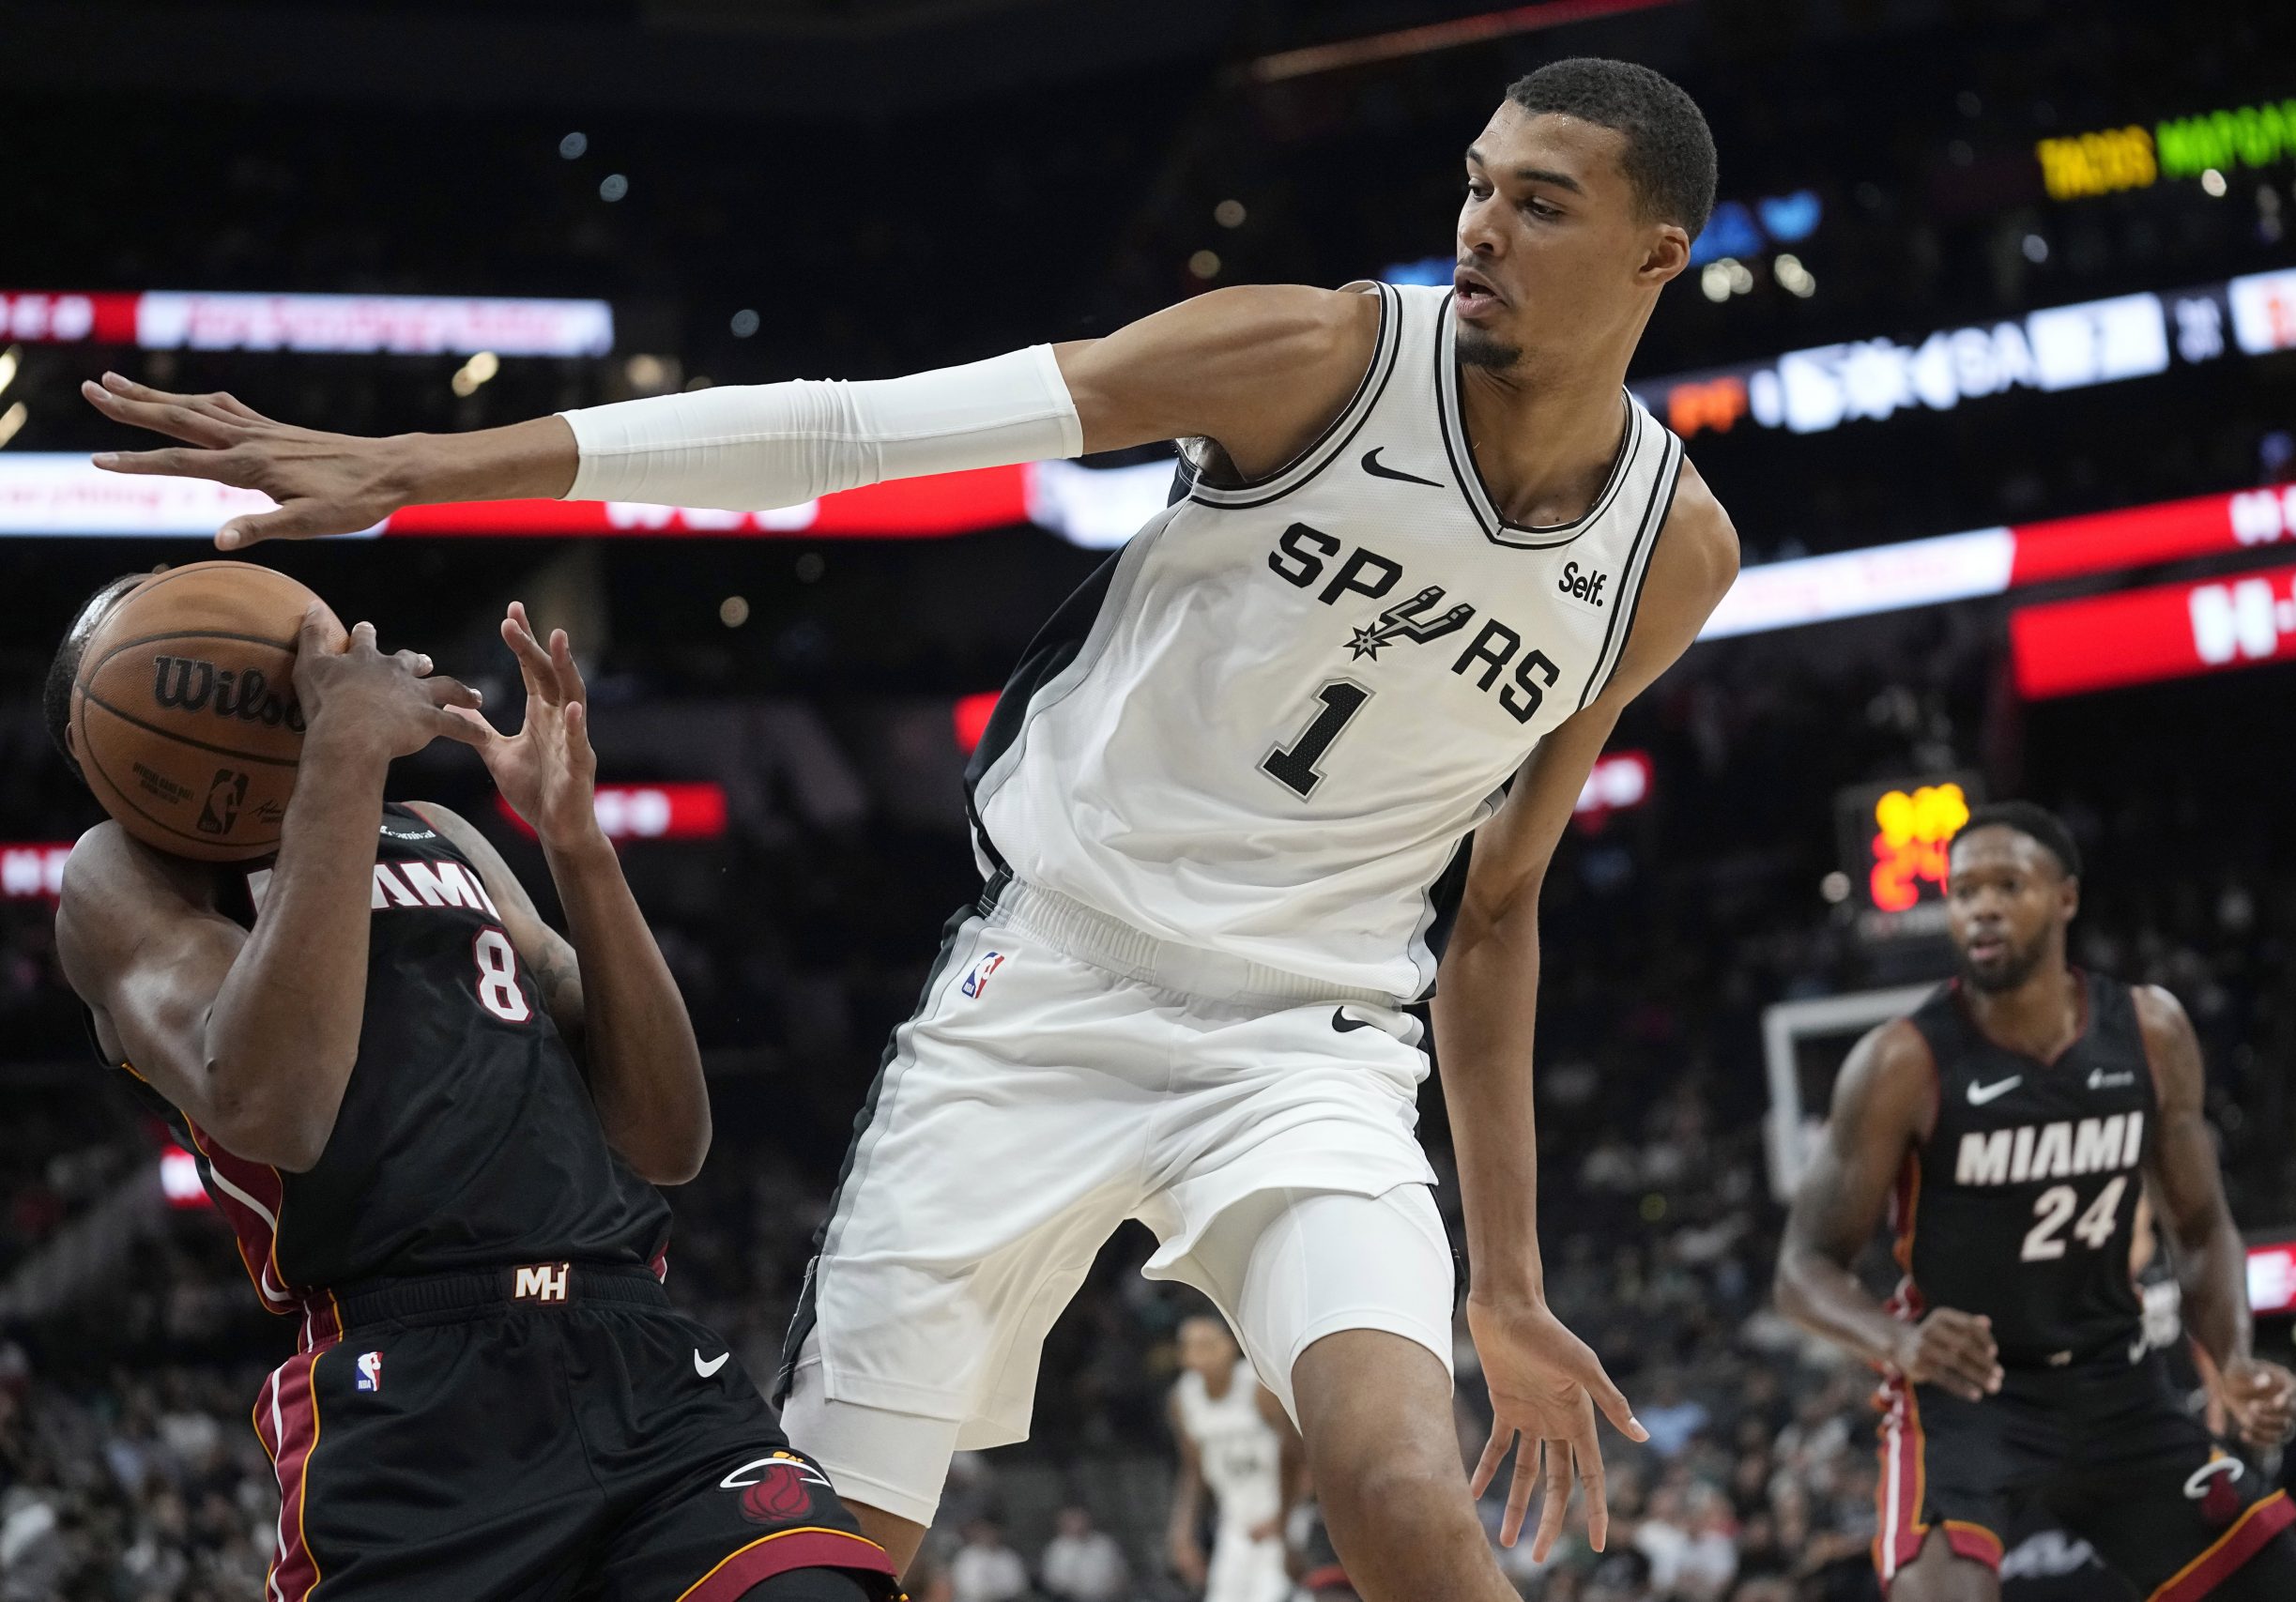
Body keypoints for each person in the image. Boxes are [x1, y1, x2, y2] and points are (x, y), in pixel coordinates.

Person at [81, 54, 1743, 1601]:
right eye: (1477, 183)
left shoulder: (1671, 558)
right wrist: (430, 465)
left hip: (1312, 1044)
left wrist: (1509, 1285)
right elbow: (853, 428)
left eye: (1541, 202)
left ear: (1656, 256)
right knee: (834, 1552)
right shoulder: (1318, 357)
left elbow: (1499, 909)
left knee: (1400, 1489)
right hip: (1047, 988)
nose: (1481, 226)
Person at [46, 587, 896, 1601]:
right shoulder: (126, 876)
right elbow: (275, 1105)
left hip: (640, 1353)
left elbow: (668, 1139)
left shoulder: (438, 831)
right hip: (412, 1398)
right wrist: (345, 753)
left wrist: (576, 845)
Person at [1772, 801, 2296, 1602]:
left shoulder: (2150, 1031)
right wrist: (1898, 1339)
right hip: (1966, 1400)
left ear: (2065, 897)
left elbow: (2202, 1227)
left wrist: (2233, 1359)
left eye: (2008, 885)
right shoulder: (1901, 1061)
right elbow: (1801, 1267)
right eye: (1964, 891)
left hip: (2118, 1384)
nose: (1982, 907)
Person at [1169, 1315, 1297, 1602]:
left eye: (1208, 1344)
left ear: (1230, 1345)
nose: (1200, 1354)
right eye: (1191, 1347)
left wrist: (1282, 1519)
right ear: (1182, 1356)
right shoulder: (1183, 1398)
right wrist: (1182, 1534)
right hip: (1234, 1520)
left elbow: (1300, 1456)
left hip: (1282, 1512)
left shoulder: (1259, 1386)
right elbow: (1193, 1471)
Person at [1039, 1505, 1130, 1602]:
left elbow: (1121, 1571)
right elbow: (1054, 1582)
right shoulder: (1056, 1550)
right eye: (1072, 1520)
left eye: (1080, 1519)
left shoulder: (1105, 1544)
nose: (1078, 1524)